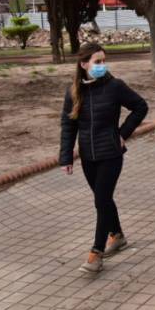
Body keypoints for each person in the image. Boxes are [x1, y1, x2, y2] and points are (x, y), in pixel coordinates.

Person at [59, 43, 148, 273]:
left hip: (111, 154)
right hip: (88, 157)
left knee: (101, 200)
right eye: (97, 62)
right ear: (83, 64)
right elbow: (68, 126)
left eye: (103, 61)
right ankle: (117, 235)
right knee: (104, 200)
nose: (102, 66)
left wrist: (122, 133)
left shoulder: (115, 86)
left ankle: (96, 253)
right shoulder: (73, 92)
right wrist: (66, 157)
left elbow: (140, 106)